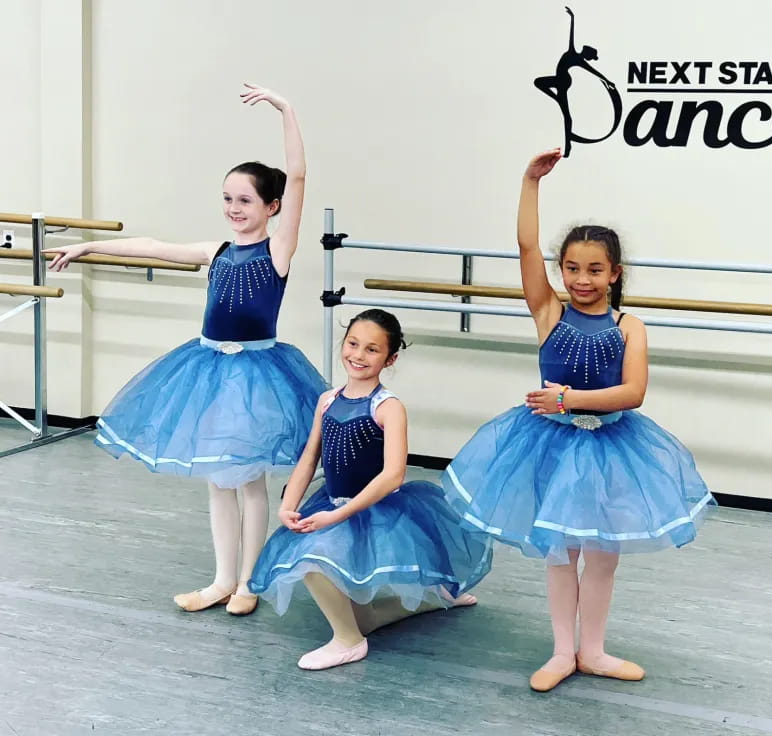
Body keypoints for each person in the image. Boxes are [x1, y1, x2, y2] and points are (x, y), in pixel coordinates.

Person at [45, 84, 327, 616]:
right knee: (217, 481)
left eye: (245, 200)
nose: (233, 209)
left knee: (248, 481)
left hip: (256, 372)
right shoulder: (216, 249)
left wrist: (287, 110)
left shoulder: (279, 248)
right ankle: (222, 578)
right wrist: (88, 245)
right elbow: (152, 246)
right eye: (227, 198)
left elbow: (299, 175)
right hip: (207, 368)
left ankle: (249, 582)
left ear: (271, 206)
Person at [442, 149, 714, 691]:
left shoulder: (629, 325)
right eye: (571, 268)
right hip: (550, 445)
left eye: (594, 269)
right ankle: (563, 652)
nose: (581, 279)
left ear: (615, 273)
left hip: (612, 446)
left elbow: (632, 393)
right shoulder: (549, 311)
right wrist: (529, 183)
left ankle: (594, 650)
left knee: (603, 556)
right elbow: (525, 246)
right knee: (560, 554)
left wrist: (568, 399)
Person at [249, 309, 492, 670]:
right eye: (352, 344)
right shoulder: (328, 400)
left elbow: (393, 475)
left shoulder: (389, 407)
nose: (358, 355)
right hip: (331, 503)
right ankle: (435, 599)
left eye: (372, 350)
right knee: (362, 614)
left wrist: (339, 515)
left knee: (311, 559)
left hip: (374, 511)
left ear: (390, 358)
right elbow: (309, 457)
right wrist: (290, 503)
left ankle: (348, 641)